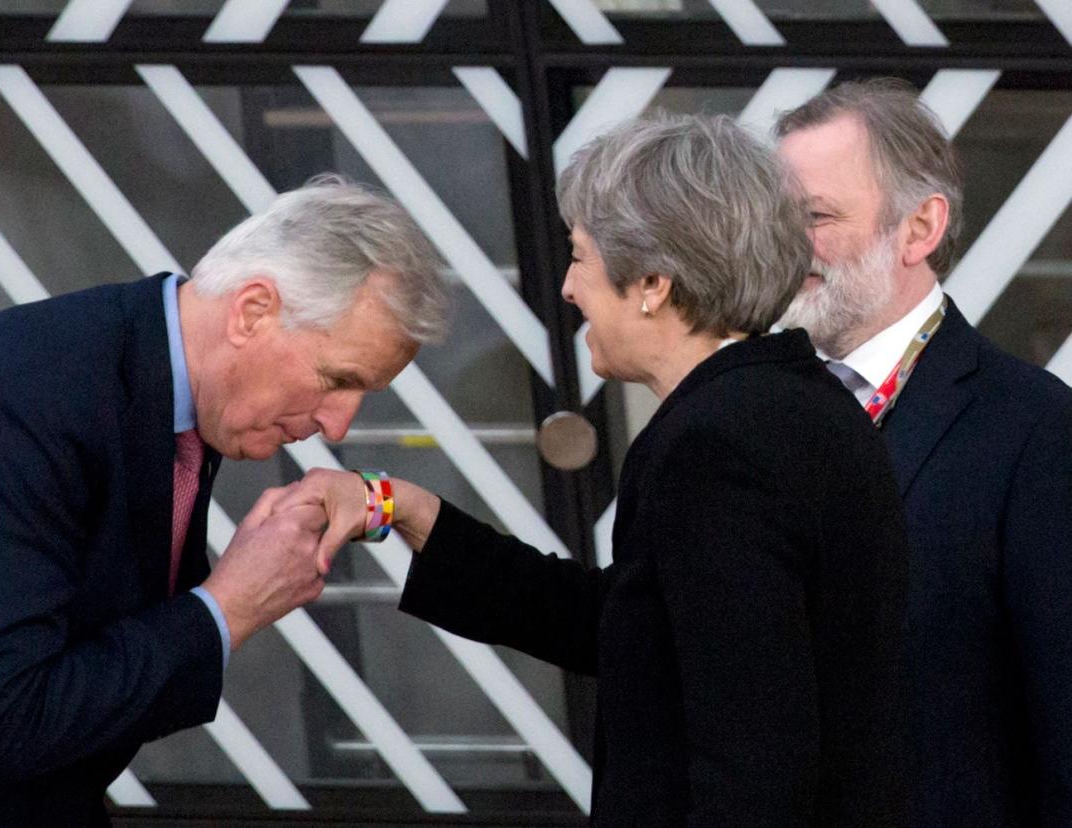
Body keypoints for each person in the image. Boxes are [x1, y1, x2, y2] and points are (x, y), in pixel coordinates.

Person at [267, 114, 911, 825]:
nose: (569, 287)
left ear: (654, 284)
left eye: (580, 256)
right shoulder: (798, 405)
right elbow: (630, 626)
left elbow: (752, 755)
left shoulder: (718, 446)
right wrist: (405, 511)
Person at [0, 176, 448, 826]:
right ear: (253, 312)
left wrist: (378, 504)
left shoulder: (178, 391)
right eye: (337, 380)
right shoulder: (23, 399)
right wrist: (227, 607)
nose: (341, 423)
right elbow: (0, 723)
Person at [775, 78, 1072, 826]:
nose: (786, 245)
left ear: (919, 229)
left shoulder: (1034, 430)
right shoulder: (757, 409)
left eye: (814, 217)